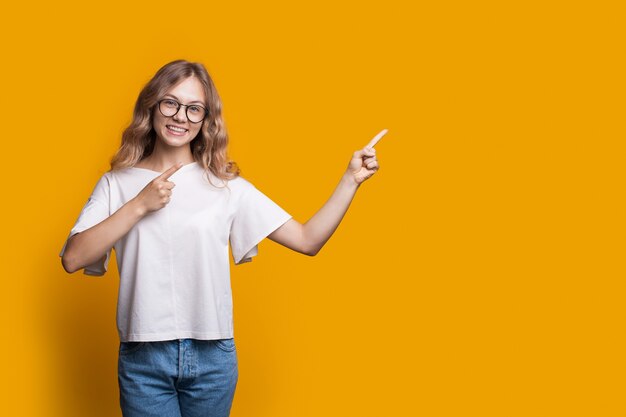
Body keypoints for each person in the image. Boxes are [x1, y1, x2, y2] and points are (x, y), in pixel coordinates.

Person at [59, 59, 380, 417]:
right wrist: (138, 205)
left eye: (194, 109)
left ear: (205, 119)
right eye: (171, 103)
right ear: (151, 105)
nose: (181, 116)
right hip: (143, 358)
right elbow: (72, 258)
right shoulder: (116, 184)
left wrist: (351, 180)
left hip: (212, 359)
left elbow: (308, 240)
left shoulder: (225, 186)